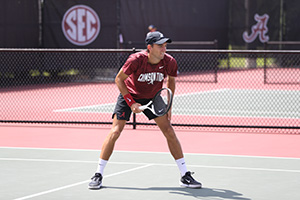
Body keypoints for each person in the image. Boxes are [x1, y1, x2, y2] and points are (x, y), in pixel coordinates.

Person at [88, 31, 202, 189]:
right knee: (115, 131)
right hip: (130, 94)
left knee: (169, 130)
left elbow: (171, 82)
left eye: (165, 45)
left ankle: (185, 175)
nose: (164, 49)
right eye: (160, 46)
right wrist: (131, 102)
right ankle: (98, 174)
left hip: (154, 97)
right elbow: (119, 79)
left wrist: (169, 106)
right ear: (150, 47)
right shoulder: (136, 60)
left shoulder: (169, 61)